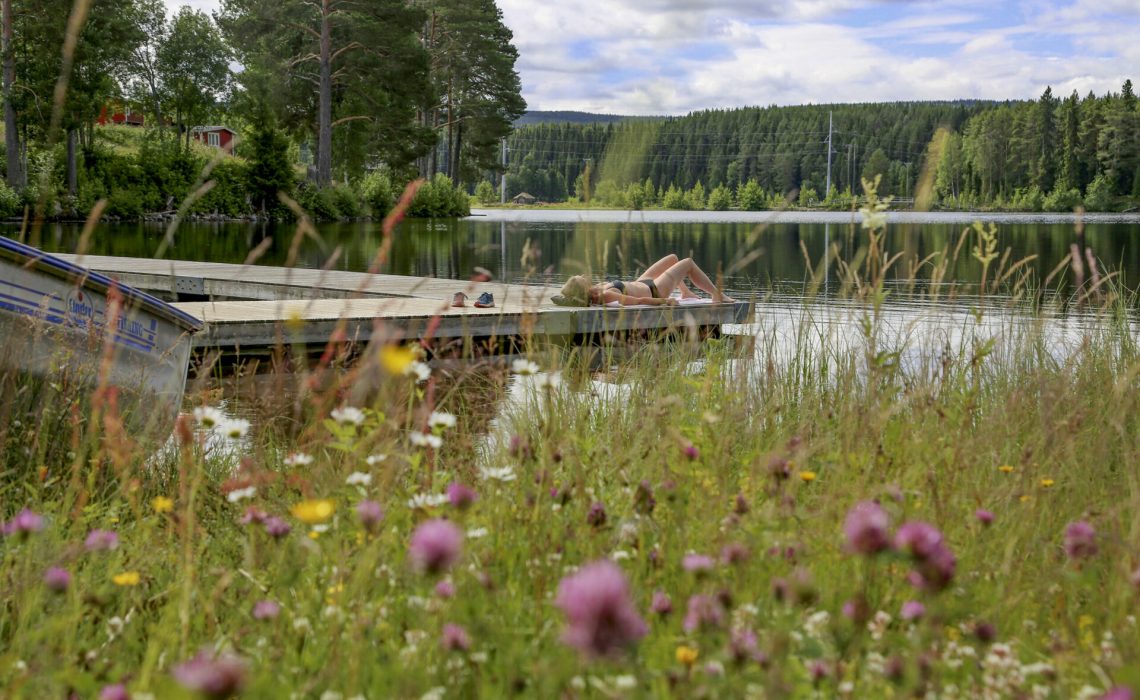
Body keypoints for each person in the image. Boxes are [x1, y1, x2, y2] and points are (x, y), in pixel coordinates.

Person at [557, 254, 734, 307]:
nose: (583, 275)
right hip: (655, 290)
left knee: (673, 258)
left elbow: (565, 296)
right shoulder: (605, 295)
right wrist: (665, 300)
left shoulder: (596, 289)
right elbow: (639, 301)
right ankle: (717, 295)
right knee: (687, 263)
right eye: (580, 278)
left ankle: (685, 291)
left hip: (643, 282)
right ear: (583, 287)